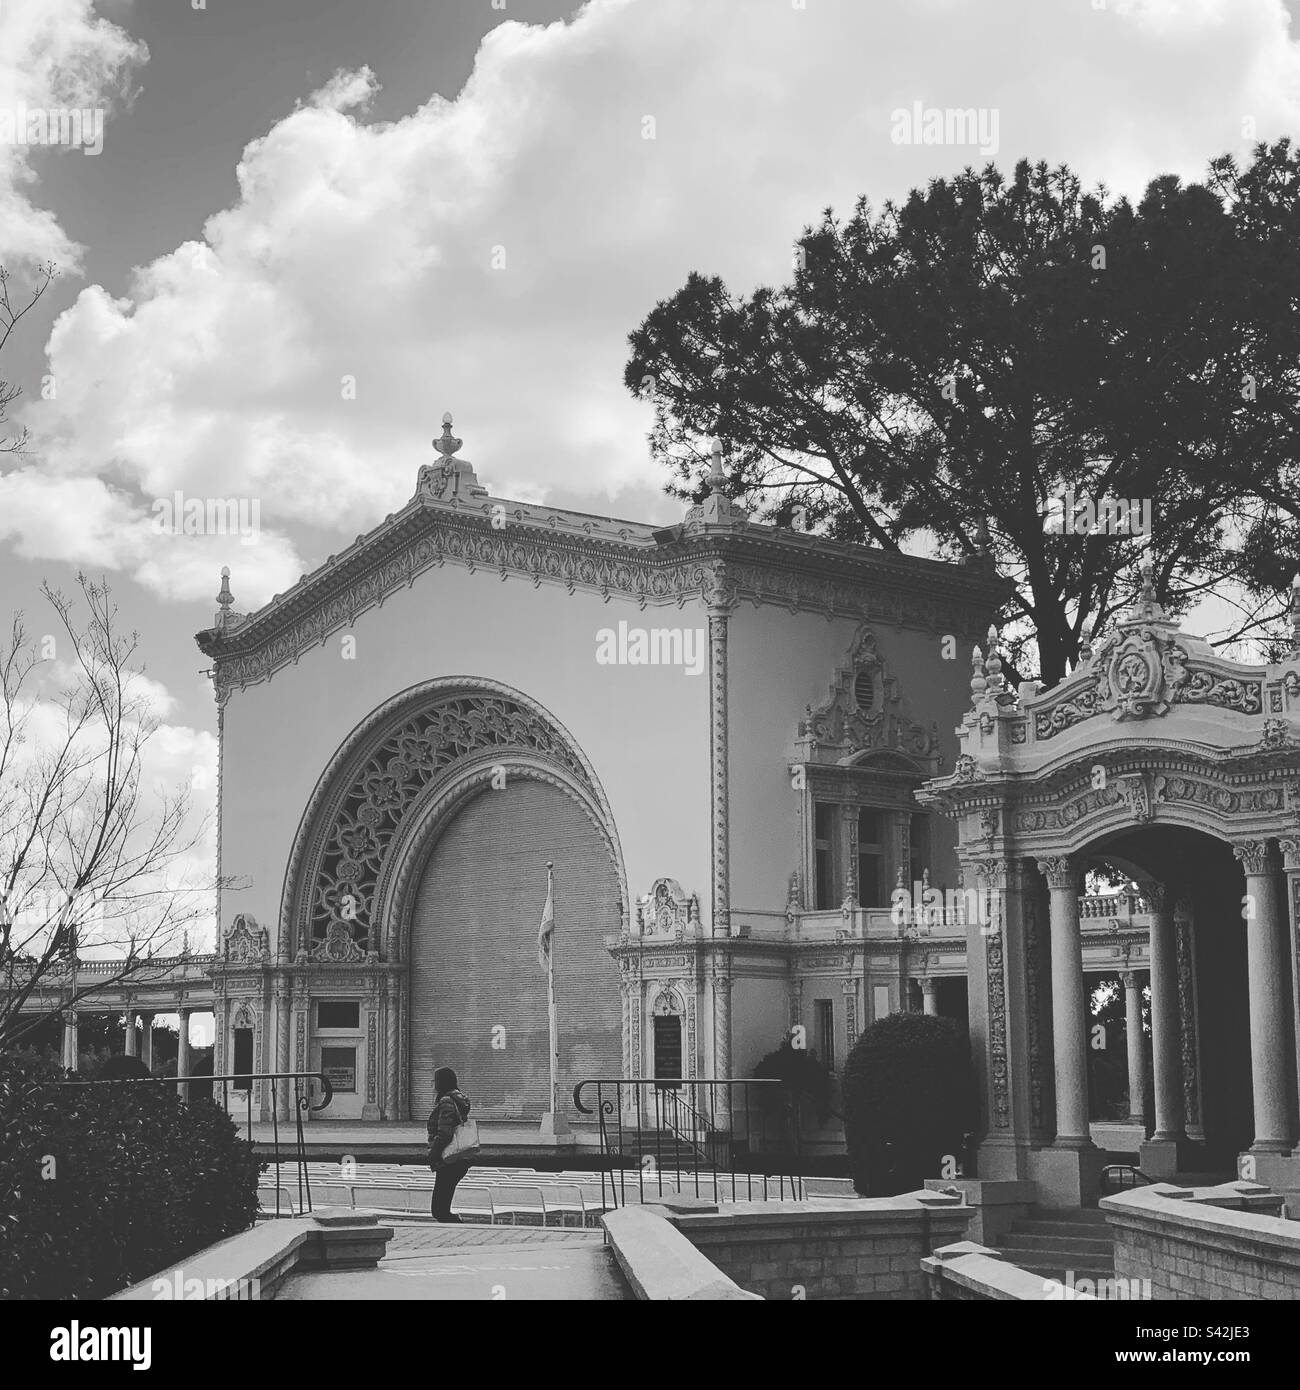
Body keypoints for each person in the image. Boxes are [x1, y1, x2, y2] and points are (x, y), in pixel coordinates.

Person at [427, 1065, 473, 1223]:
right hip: (459, 1157)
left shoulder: (446, 1101)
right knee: (441, 1208)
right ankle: (454, 1225)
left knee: (439, 1210)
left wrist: (434, 1154)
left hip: (448, 1157)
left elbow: (445, 1132)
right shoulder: (459, 1100)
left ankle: (457, 1227)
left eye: (435, 1081)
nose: (433, 1085)